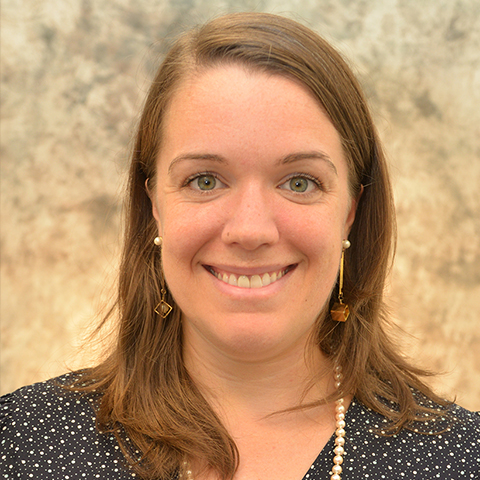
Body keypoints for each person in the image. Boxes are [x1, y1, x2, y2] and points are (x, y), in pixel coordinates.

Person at [1, 11, 479, 480]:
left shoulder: (461, 460)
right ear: (154, 206)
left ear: (351, 209)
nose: (250, 231)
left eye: (299, 182)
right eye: (205, 180)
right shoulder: (20, 444)